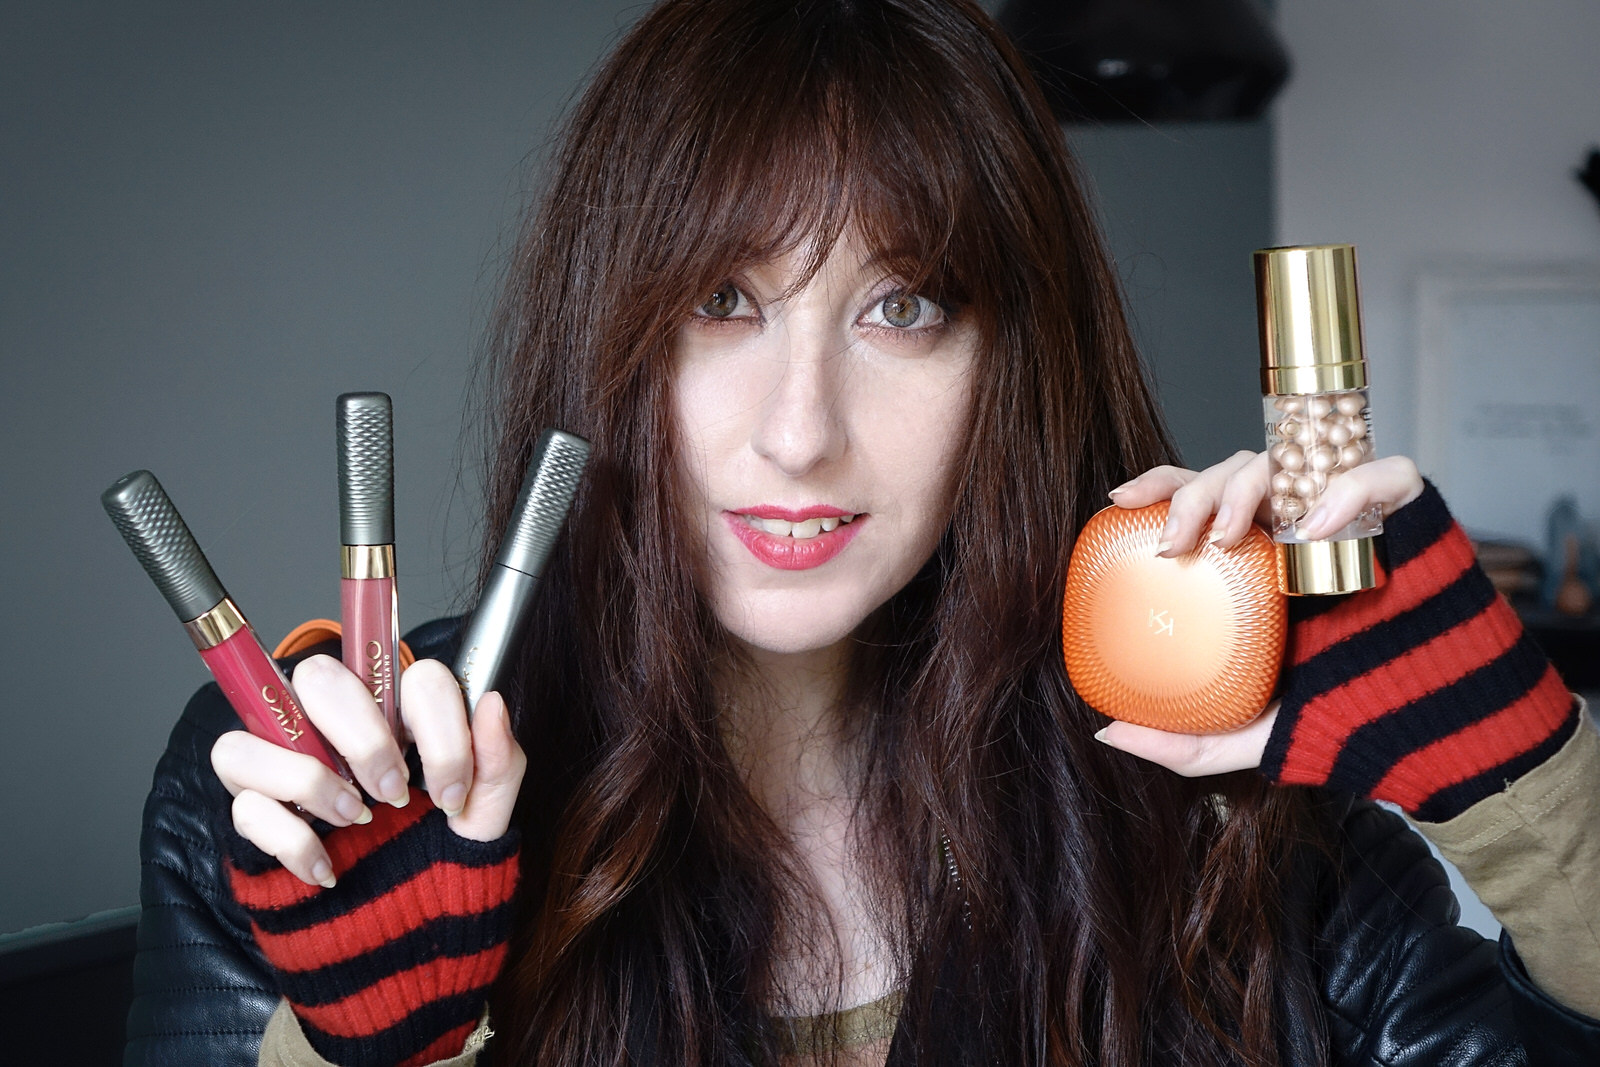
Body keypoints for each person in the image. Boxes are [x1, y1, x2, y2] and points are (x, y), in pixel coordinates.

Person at [125, 1, 1600, 1065]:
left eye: (903, 307)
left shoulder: (1219, 794)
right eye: (724, 302)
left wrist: (1530, 782)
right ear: (611, 340)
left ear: (1010, 365)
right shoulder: (303, 805)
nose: (798, 430)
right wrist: (380, 1052)